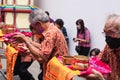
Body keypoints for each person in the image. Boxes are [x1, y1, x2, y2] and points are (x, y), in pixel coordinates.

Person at [13, 8, 68, 80]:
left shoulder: (50, 33)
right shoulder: (52, 29)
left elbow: (41, 58)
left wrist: (26, 41)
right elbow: (44, 47)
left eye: (33, 27)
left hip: (56, 72)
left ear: (39, 24)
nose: (34, 30)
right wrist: (30, 42)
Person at [98, 14, 120, 80]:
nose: (107, 36)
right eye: (105, 32)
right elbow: (99, 60)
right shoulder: (108, 47)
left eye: (111, 32)